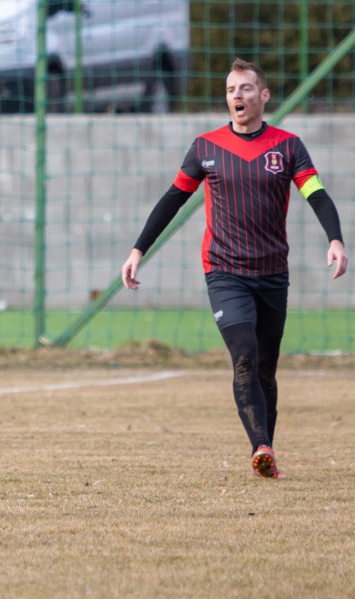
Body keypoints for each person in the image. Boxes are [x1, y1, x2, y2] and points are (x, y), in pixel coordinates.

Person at [121, 58, 348, 479]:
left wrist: (335, 239)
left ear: (263, 96)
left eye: (245, 88)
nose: (236, 96)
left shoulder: (288, 146)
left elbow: (317, 194)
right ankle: (260, 447)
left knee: (265, 368)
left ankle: (268, 450)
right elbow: (172, 199)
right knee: (244, 356)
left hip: (273, 274)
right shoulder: (206, 148)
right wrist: (138, 250)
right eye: (230, 90)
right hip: (224, 271)